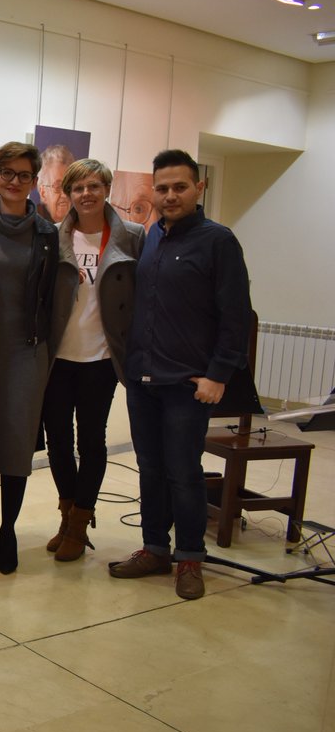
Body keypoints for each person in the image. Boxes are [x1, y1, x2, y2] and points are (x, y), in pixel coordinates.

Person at [109, 149, 251, 600]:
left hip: (188, 384)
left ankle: (190, 556)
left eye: (180, 187)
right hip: (143, 379)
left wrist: (218, 375)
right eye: (163, 188)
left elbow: (236, 317)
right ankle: (154, 548)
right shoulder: (151, 237)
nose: (170, 196)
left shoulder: (218, 241)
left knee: (183, 472)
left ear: (199, 189)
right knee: (149, 468)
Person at [0, 142, 63, 575]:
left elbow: (52, 295)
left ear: (34, 180)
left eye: (24, 175)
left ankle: (8, 529)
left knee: (17, 447)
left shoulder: (46, 234)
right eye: (8, 173)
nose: (15, 182)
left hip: (26, 352)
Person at [43, 159, 144, 562]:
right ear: (68, 194)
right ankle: (68, 516)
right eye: (78, 188)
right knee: (57, 444)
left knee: (92, 440)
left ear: (107, 189)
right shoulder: (53, 237)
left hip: (101, 357)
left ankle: (80, 522)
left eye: (94, 186)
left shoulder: (132, 237)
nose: (86, 194)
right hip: (58, 356)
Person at [36, 144, 74, 223]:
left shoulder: (78, 223)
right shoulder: (31, 225)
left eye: (68, 186)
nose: (64, 194)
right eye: (58, 186)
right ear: (43, 193)